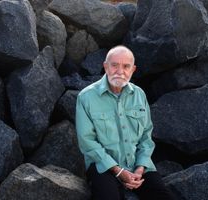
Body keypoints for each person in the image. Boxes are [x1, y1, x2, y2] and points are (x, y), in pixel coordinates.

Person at [75, 45, 175, 200]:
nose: (120, 71)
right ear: (105, 67)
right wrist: (119, 172)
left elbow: (146, 137)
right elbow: (87, 142)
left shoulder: (139, 95)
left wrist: (140, 169)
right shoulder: (86, 97)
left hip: (137, 165)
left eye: (126, 66)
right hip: (103, 166)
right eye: (114, 65)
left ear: (133, 70)